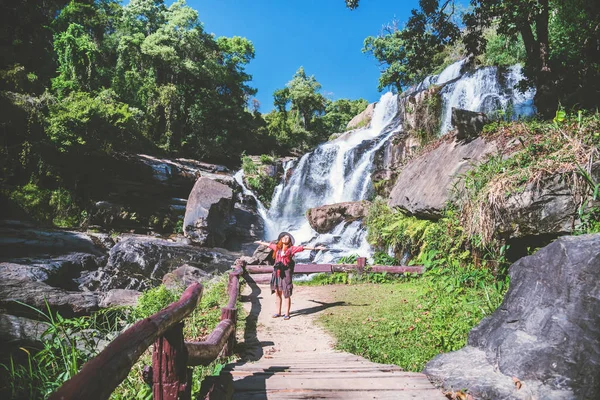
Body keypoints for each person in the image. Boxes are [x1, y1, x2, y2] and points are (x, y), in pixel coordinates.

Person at [254, 232, 326, 320]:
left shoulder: (291, 249)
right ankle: (278, 312)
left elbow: (303, 248)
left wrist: (316, 248)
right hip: (276, 273)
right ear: (280, 240)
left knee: (286, 293)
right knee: (277, 293)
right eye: (284, 237)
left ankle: (287, 313)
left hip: (286, 273)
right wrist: (260, 242)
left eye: (287, 237)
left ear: (289, 241)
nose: (285, 238)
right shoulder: (277, 248)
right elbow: (269, 244)